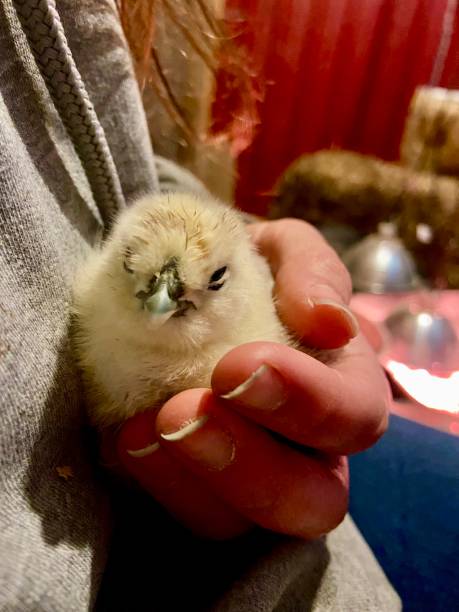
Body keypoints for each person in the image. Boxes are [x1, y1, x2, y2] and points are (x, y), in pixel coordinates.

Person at [0, 1, 400, 610]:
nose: (160, 305)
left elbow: (122, 169)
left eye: (205, 283)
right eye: (146, 285)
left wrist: (257, 234)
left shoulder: (246, 317)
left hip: (288, 545)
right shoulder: (101, 304)